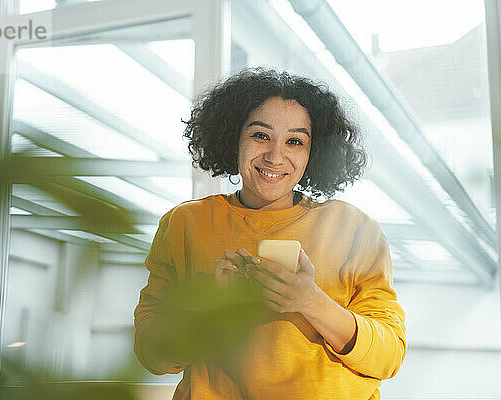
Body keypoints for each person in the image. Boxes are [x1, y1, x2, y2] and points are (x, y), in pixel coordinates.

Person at [133, 68, 406, 400]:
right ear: (233, 137)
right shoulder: (184, 225)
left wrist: (312, 302)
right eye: (260, 135)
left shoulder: (355, 230)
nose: (276, 157)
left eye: (295, 141)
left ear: (314, 152)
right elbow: (152, 353)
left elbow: (389, 355)